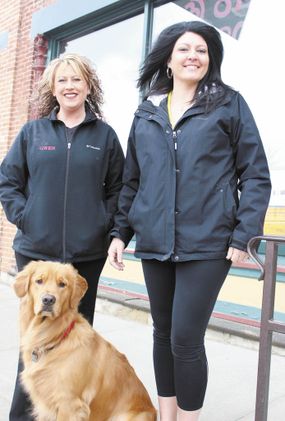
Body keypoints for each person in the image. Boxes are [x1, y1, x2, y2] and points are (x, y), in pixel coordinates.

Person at [108, 21, 271, 421]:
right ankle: (168, 416)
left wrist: (244, 233)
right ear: (168, 59)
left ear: (210, 59)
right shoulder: (146, 113)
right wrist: (119, 233)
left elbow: (255, 173)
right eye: (184, 49)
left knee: (185, 337)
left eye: (201, 50)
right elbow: (133, 180)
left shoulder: (228, 104)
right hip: (154, 240)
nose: (193, 56)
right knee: (162, 334)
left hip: (209, 242)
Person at [0, 53, 124, 421]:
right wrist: (27, 217)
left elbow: (119, 190)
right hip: (37, 255)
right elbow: (9, 182)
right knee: (36, 342)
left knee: (74, 345)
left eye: (77, 80)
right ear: (53, 89)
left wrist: (104, 225)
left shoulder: (105, 137)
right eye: (62, 81)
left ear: (88, 86)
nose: (70, 87)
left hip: (85, 257)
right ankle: (23, 417)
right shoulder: (33, 133)